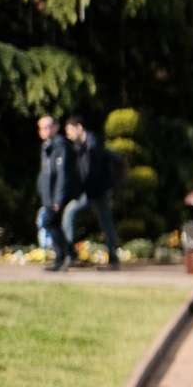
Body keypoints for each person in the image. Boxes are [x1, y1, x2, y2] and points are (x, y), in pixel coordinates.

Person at [62, 115, 121, 270]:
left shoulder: (93, 145)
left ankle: (112, 260)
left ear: (79, 127)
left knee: (103, 223)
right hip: (89, 191)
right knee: (73, 215)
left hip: (96, 191)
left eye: (70, 130)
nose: (68, 135)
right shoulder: (82, 146)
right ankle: (73, 255)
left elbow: (90, 172)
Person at [36, 115, 80, 272]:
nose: (46, 130)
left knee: (49, 222)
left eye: (49, 126)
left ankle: (67, 254)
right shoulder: (47, 146)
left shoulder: (60, 145)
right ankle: (63, 257)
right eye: (42, 127)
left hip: (57, 196)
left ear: (56, 127)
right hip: (49, 196)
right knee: (52, 224)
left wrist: (57, 199)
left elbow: (62, 175)